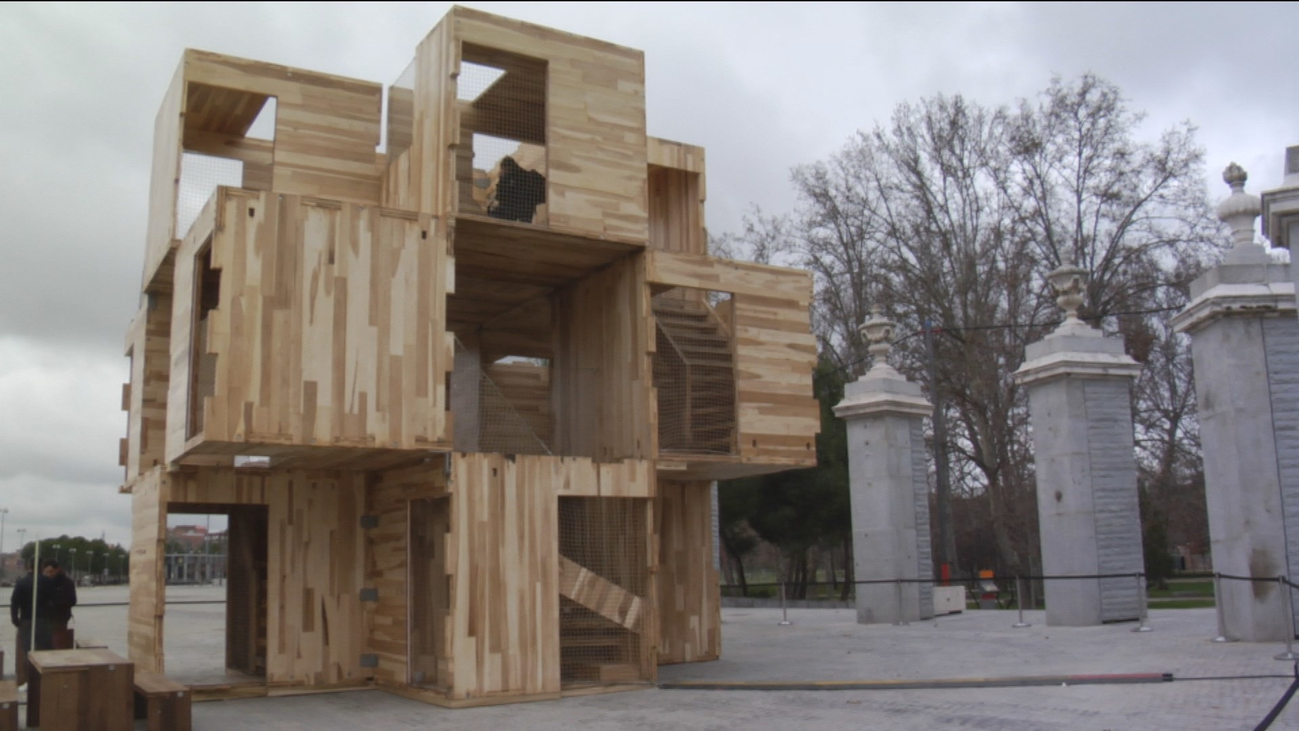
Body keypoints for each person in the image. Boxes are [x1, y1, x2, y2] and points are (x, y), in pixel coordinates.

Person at [9, 560, 53, 685]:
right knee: (46, 650)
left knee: (28, 651)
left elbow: (14, 602)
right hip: (44, 621)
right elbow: (53, 601)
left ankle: (30, 681)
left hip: (26, 620)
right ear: (42, 567)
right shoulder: (48, 582)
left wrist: (15, 619)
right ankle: (47, 679)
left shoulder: (22, 582)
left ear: (30, 567)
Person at [41, 558, 77, 649]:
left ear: (57, 569)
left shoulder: (67, 583)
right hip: (44, 619)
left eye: (51, 571)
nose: (49, 574)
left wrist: (54, 604)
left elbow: (72, 600)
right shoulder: (43, 582)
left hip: (60, 618)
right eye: (46, 572)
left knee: (57, 643)